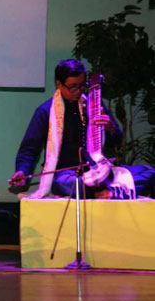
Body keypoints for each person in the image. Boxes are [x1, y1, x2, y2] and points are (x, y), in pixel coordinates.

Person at [9, 59, 153, 199]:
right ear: (59, 84)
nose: (78, 91)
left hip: (98, 171)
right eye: (73, 87)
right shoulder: (46, 111)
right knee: (68, 184)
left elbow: (116, 141)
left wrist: (110, 128)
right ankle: (108, 191)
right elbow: (29, 148)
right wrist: (22, 171)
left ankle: (105, 191)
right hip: (66, 174)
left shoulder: (94, 106)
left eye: (82, 86)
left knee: (148, 172)